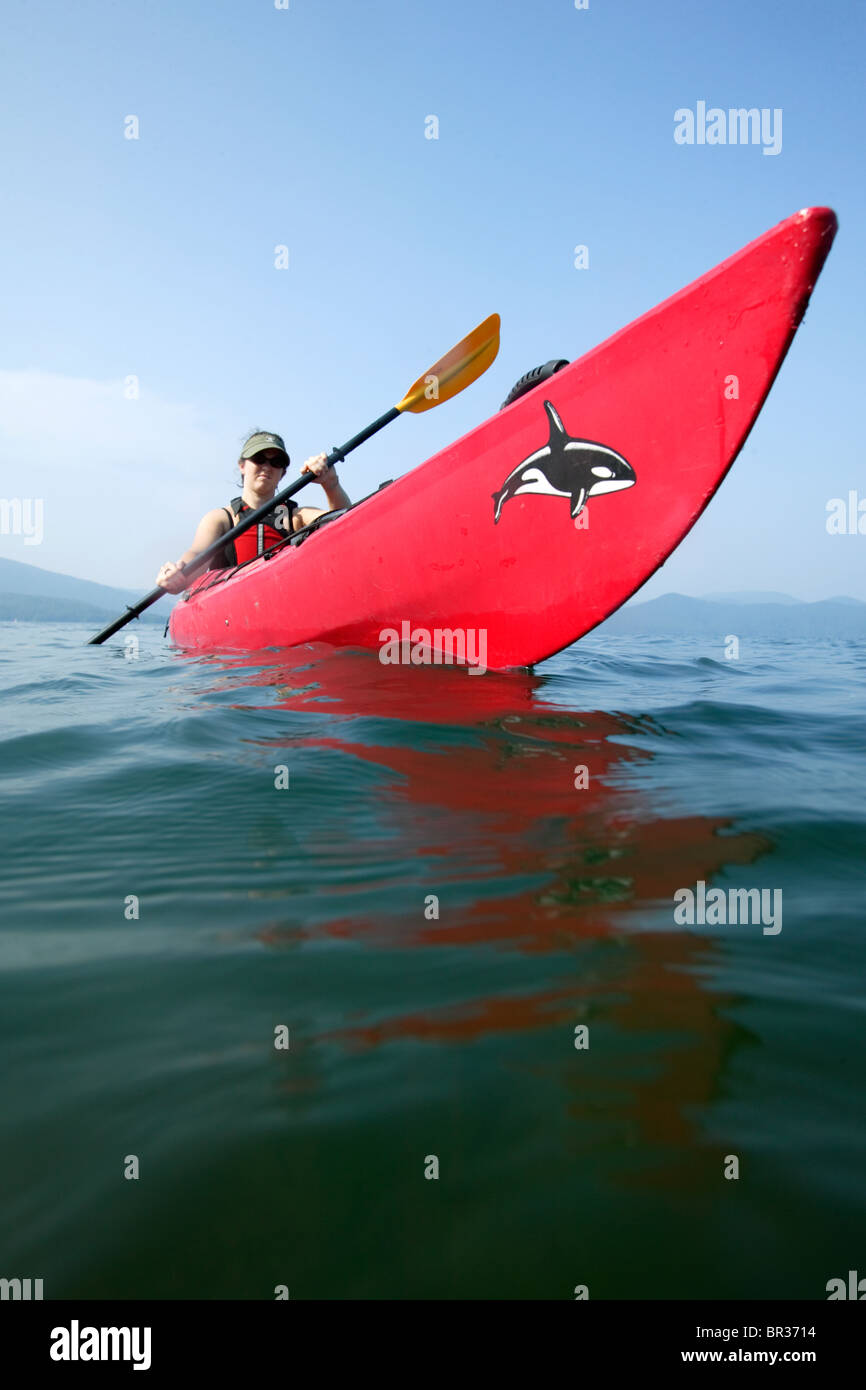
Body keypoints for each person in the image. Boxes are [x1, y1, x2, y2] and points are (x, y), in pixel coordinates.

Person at [156, 431, 351, 594]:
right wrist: (177, 574)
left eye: (276, 462)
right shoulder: (221, 518)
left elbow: (344, 525)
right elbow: (197, 553)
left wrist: (330, 484)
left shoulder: (295, 517)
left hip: (281, 607)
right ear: (242, 466)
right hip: (229, 612)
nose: (267, 466)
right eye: (259, 459)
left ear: (282, 473)